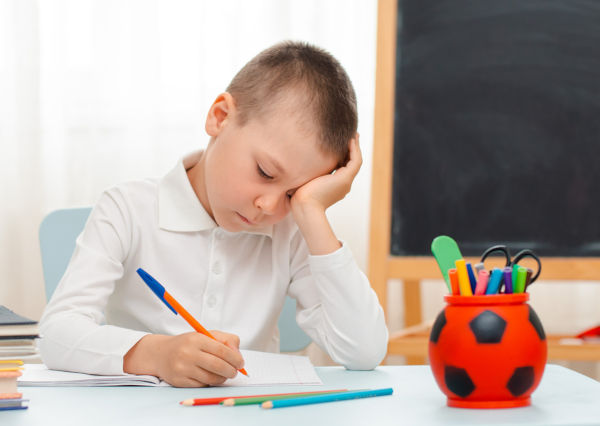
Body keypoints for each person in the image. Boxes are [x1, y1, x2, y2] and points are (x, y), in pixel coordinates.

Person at [39, 41, 388, 387]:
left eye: (295, 194)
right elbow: (57, 333)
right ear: (220, 117)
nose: (270, 206)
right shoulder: (127, 210)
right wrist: (157, 355)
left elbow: (365, 351)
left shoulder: (291, 229)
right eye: (265, 172)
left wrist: (312, 212)